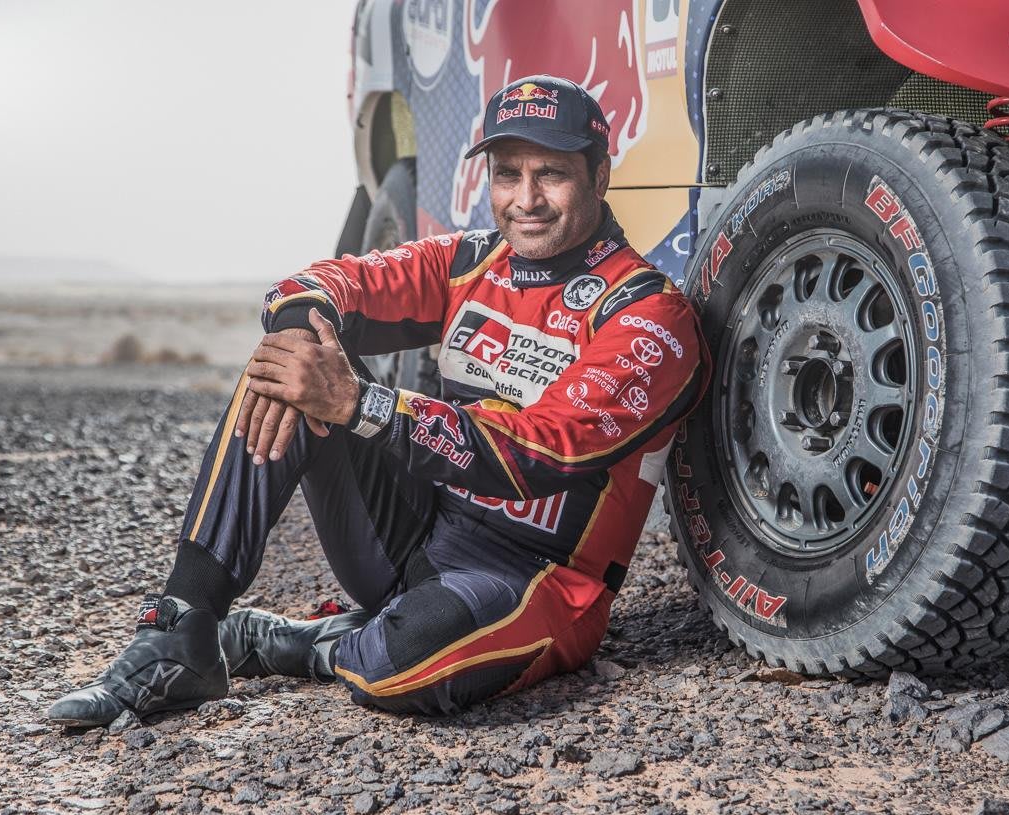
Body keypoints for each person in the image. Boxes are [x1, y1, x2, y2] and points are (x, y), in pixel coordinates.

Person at [47, 75, 708, 726]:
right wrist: (297, 332)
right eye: (508, 174)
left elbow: (541, 451)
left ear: (599, 176)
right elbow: (325, 281)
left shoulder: (652, 315)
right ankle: (180, 630)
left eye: (552, 174)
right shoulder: (470, 263)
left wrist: (365, 405)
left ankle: (300, 642)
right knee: (291, 362)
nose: (526, 198)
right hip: (416, 539)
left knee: (393, 669)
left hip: (535, 579)